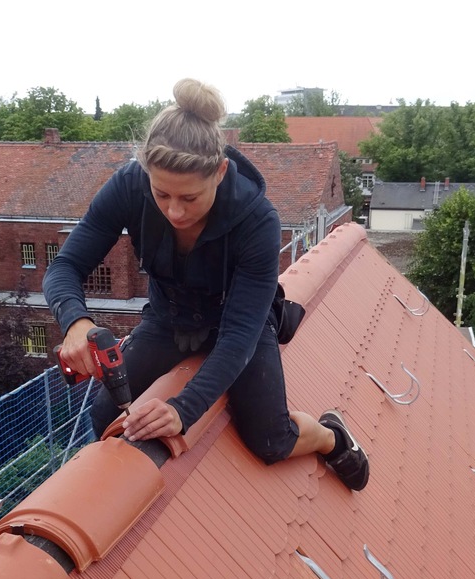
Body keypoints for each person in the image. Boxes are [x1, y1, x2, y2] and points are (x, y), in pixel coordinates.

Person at [43, 78, 369, 491]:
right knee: (104, 414)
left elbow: (238, 337)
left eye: (190, 198)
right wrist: (75, 322)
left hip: (237, 324)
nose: (174, 211)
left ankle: (330, 435)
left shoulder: (257, 220)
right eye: (161, 195)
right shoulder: (128, 186)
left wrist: (183, 409)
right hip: (170, 318)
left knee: (269, 440)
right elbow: (65, 266)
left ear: (219, 172)